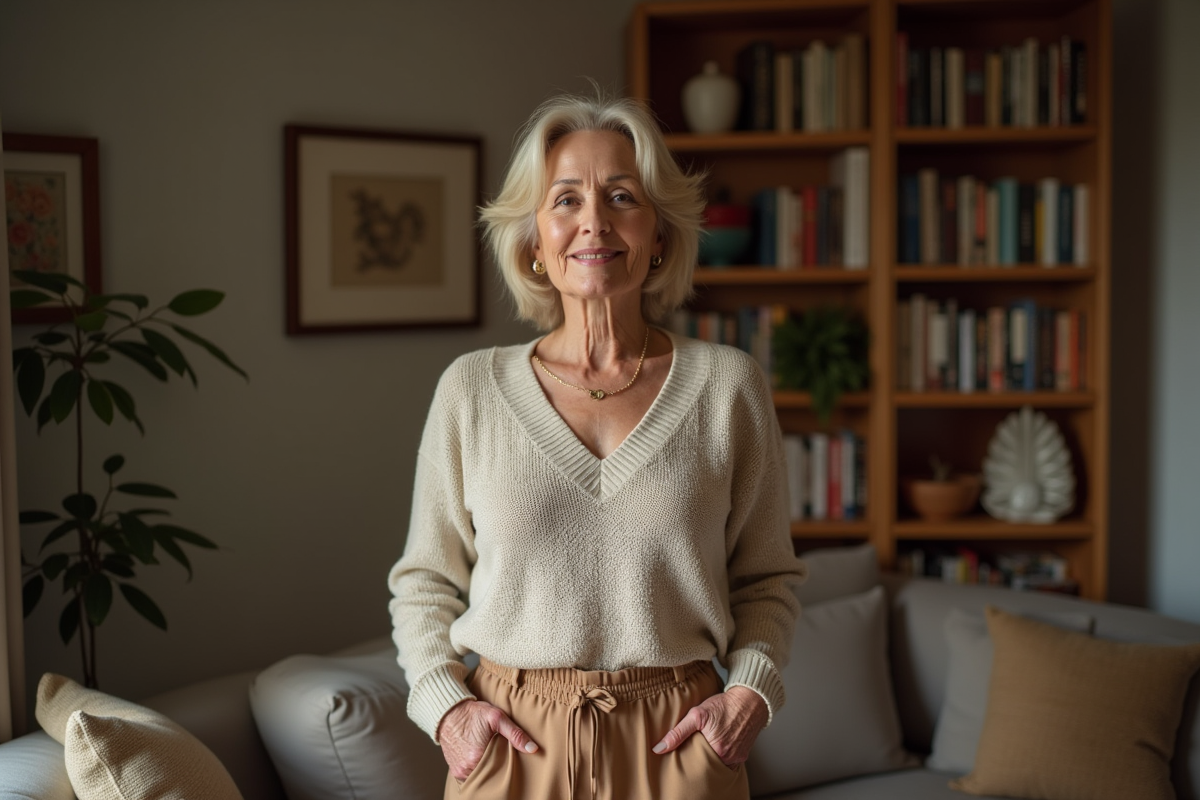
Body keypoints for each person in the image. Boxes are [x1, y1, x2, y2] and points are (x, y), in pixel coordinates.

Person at [388, 88, 806, 800]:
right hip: (513, 747)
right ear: (535, 241)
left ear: (660, 234)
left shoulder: (728, 387)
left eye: (621, 197)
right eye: (567, 200)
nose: (594, 223)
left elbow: (767, 579)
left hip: (681, 742)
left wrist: (751, 695)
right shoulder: (471, 390)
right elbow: (424, 582)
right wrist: (447, 708)